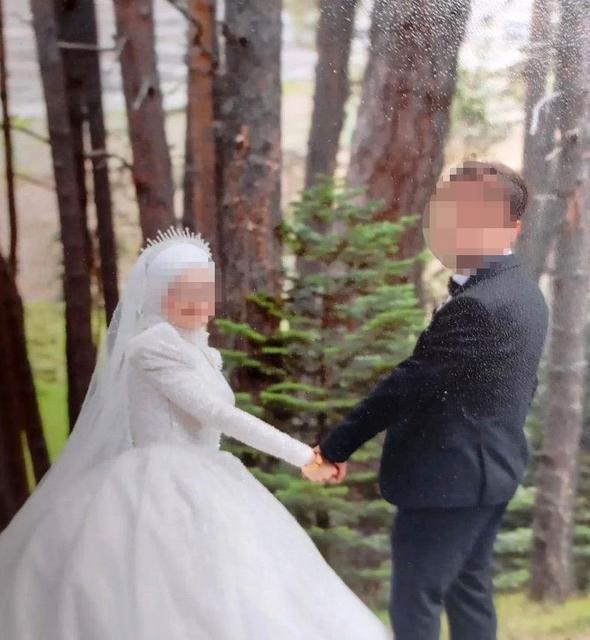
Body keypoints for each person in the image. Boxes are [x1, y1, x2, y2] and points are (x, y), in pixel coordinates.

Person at [0, 227, 390, 640]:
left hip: (208, 473)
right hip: (162, 481)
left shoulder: (197, 350)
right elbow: (217, 413)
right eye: (184, 292)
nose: (199, 303)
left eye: (205, 291)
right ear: (159, 295)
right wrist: (304, 457)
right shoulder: (153, 346)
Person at [315, 161, 549, 640]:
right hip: (491, 471)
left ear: (511, 226)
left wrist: (336, 446)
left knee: (415, 599)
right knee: (469, 590)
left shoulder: (480, 303)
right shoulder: (524, 292)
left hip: (449, 478)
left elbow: (410, 383)